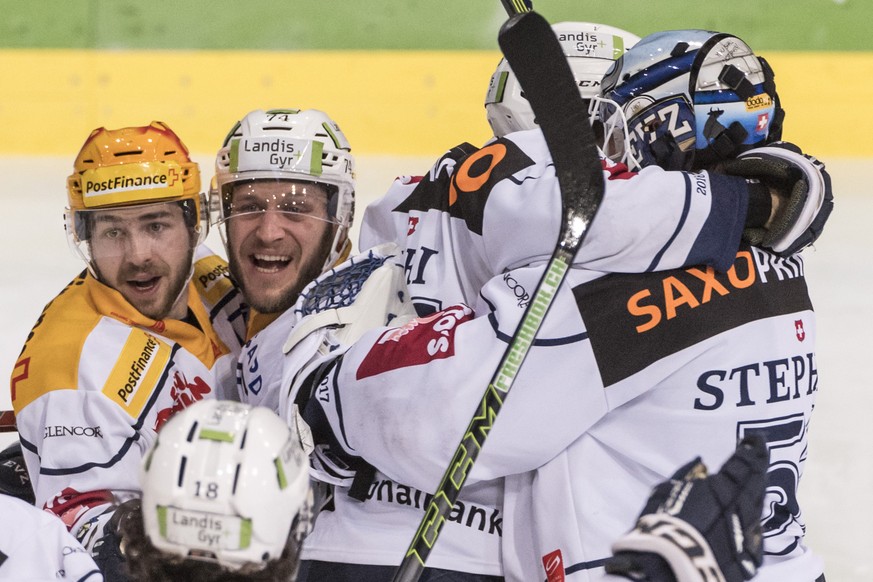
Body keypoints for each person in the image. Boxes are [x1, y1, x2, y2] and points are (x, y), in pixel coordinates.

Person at [280, 28, 832, 582]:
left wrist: (326, 394)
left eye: (621, 123)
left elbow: (455, 411)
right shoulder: (776, 248)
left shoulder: (629, 276)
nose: (612, 148)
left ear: (670, 124)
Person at [9, 121, 247, 563]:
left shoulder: (207, 274)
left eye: (156, 226)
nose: (138, 254)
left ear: (195, 224)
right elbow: (81, 532)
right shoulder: (73, 369)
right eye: (113, 232)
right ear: (86, 237)